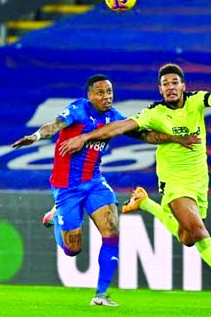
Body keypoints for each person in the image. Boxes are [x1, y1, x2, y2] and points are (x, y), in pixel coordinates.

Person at [59, 64, 211, 308]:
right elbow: (120, 127)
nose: (170, 87)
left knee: (188, 238)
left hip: (199, 182)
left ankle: (147, 204)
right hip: (174, 184)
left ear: (183, 86)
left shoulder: (196, 101)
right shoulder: (154, 113)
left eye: (174, 83)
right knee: (198, 230)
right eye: (165, 84)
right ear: (160, 89)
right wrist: (84, 137)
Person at [11, 73, 199, 307]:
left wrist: (174, 138)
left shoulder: (114, 117)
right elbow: (54, 126)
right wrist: (36, 136)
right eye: (100, 92)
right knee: (73, 249)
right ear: (90, 95)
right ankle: (57, 215)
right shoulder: (78, 110)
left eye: (109, 92)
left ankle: (100, 295)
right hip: (67, 187)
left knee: (111, 231)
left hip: (95, 182)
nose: (106, 96)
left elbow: (144, 135)